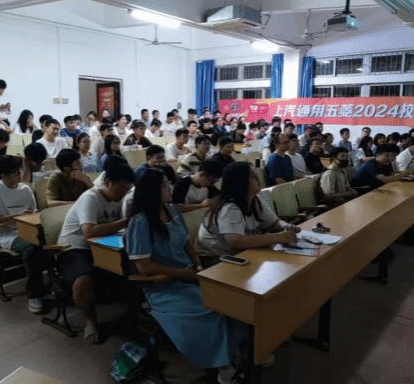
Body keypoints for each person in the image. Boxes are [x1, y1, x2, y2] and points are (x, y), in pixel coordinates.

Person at [126, 168, 255, 381]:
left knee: (231, 301)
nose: (170, 188)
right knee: (210, 312)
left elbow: (187, 243)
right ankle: (223, 368)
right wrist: (183, 274)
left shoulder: (173, 210)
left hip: (189, 276)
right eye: (165, 185)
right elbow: (144, 267)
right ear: (152, 191)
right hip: (163, 286)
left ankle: (235, 351)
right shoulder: (140, 222)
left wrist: (198, 266)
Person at [57, 163, 135, 344]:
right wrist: (126, 221)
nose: (124, 193)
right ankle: (90, 320)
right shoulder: (90, 198)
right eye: (121, 188)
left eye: (127, 189)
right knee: (82, 282)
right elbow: (89, 232)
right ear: (107, 182)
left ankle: (135, 310)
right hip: (74, 247)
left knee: (135, 263)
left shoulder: (119, 198)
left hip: (102, 245)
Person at [198, 162, 300, 260]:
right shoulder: (229, 208)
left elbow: (274, 222)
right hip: (216, 259)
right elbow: (236, 241)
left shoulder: (255, 200)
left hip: (241, 253)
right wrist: (277, 237)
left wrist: (286, 226)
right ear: (240, 183)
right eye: (252, 176)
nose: (257, 178)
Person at [0, 155, 45, 314]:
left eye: (20, 170)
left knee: (50, 241)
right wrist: (15, 216)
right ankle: (35, 294)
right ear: (3, 176)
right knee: (31, 248)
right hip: (8, 234)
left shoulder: (26, 189)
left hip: (29, 228)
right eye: (15, 172)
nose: (19, 174)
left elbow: (34, 212)